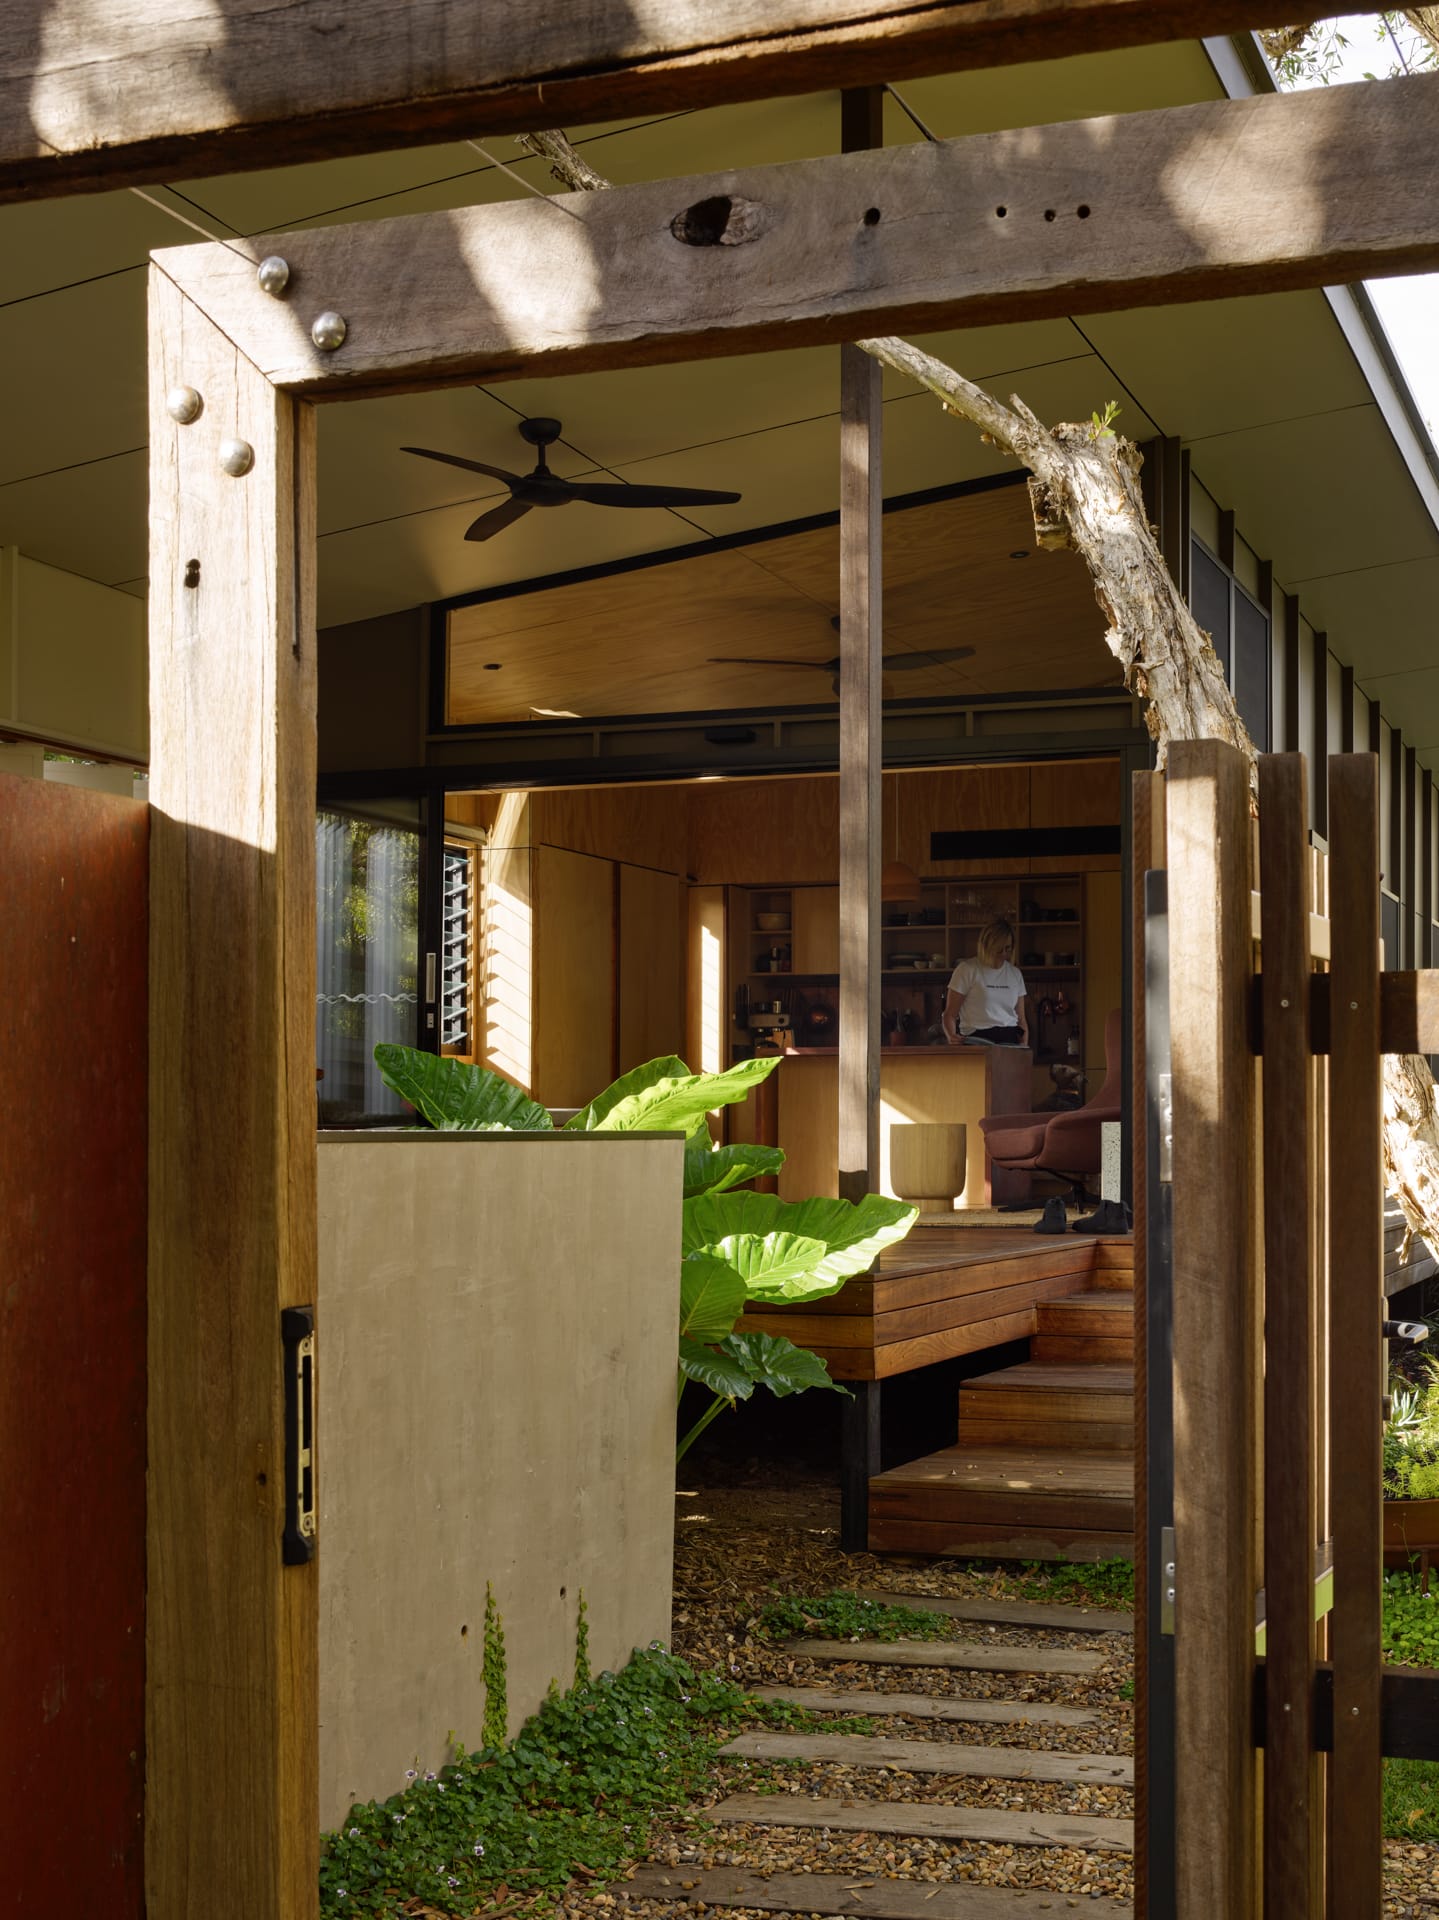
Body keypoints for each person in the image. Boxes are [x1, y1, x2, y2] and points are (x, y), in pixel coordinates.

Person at [942, 918, 1029, 1047]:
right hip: (977, 1038)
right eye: (999, 949)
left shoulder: (1015, 974)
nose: (1004, 954)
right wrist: (951, 1036)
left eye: (1008, 949)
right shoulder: (967, 969)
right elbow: (950, 1014)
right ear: (986, 945)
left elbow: (1021, 1019)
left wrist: (1024, 1046)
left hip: (1010, 1038)